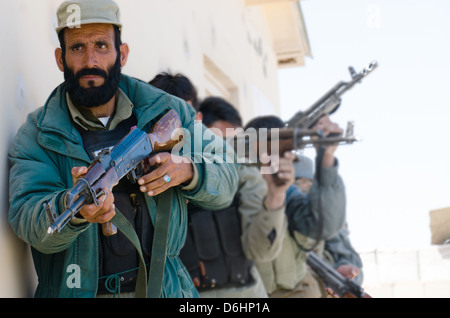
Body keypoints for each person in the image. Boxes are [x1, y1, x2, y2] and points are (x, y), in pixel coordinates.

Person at [8, 0, 238, 298]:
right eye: (77, 48)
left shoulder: (165, 110)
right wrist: (75, 210)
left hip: (164, 290)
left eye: (102, 45)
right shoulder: (37, 134)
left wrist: (187, 170)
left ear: (123, 54)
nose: (90, 60)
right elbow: (29, 219)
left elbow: (228, 172)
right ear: (60, 59)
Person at [148, 75, 291, 297]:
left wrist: (276, 194)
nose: (175, 132)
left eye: (183, 119)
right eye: (165, 122)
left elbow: (261, 250)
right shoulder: (142, 175)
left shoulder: (239, 172)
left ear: (197, 119)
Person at [244, 115, 347, 298]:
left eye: (285, 151)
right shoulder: (232, 194)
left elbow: (325, 225)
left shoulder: (289, 195)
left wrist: (327, 156)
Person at [293, 154, 364, 287]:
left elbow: (352, 266)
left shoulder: (320, 211)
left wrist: (341, 273)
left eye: (306, 184)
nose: (301, 189)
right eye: (297, 184)